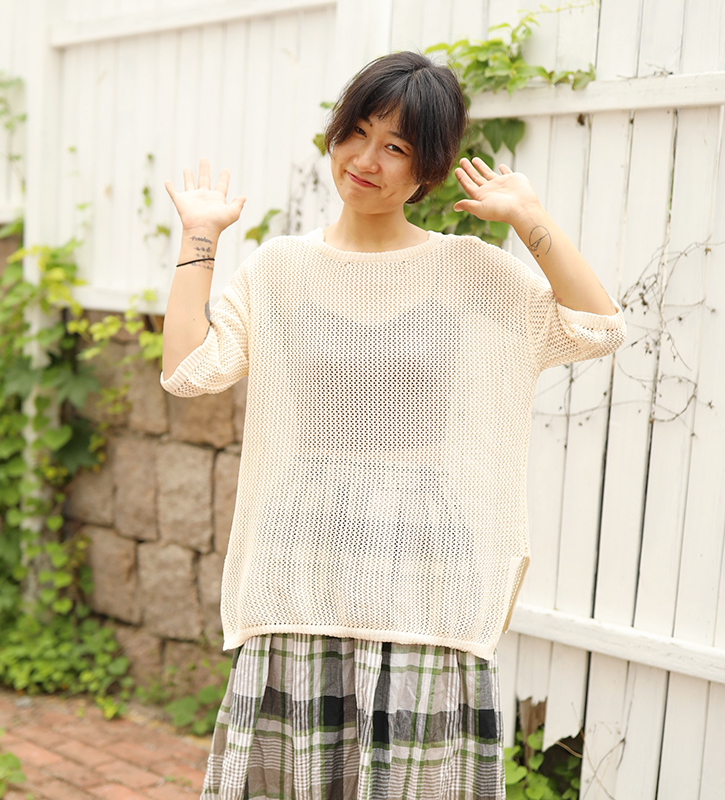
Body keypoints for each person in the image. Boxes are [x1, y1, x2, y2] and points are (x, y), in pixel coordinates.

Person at [161, 50, 624, 800]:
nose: (365, 160)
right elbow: (188, 371)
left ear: (428, 168)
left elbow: (597, 328)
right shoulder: (279, 270)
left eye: (395, 146)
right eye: (356, 132)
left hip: (426, 579)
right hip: (301, 573)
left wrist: (530, 219)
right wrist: (199, 237)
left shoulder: (472, 272)